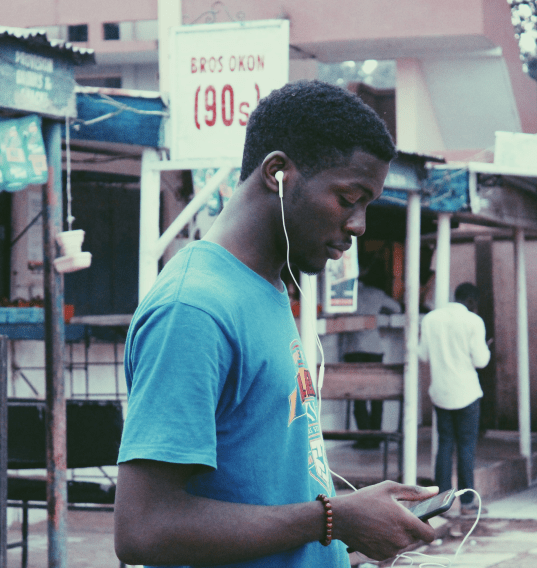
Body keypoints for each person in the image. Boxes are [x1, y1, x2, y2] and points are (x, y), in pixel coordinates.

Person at [114, 80, 438, 568]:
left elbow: (262, 493)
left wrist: (350, 532)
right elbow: (144, 528)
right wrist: (334, 519)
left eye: (367, 205)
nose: (359, 225)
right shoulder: (195, 309)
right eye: (349, 197)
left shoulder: (265, 289)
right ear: (278, 173)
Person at [418, 282, 491, 515]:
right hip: (467, 393)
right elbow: (481, 361)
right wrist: (486, 348)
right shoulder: (473, 321)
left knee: (444, 445)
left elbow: (422, 355)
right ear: (471, 301)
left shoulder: (430, 319)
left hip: (440, 393)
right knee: (466, 447)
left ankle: (442, 504)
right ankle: (468, 502)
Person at [342, 260, 402, 448]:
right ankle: (376, 436)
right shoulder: (376, 294)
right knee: (377, 396)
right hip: (374, 348)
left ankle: (364, 437)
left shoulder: (344, 295)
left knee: (357, 396)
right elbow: (397, 309)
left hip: (353, 350)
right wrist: (378, 316)